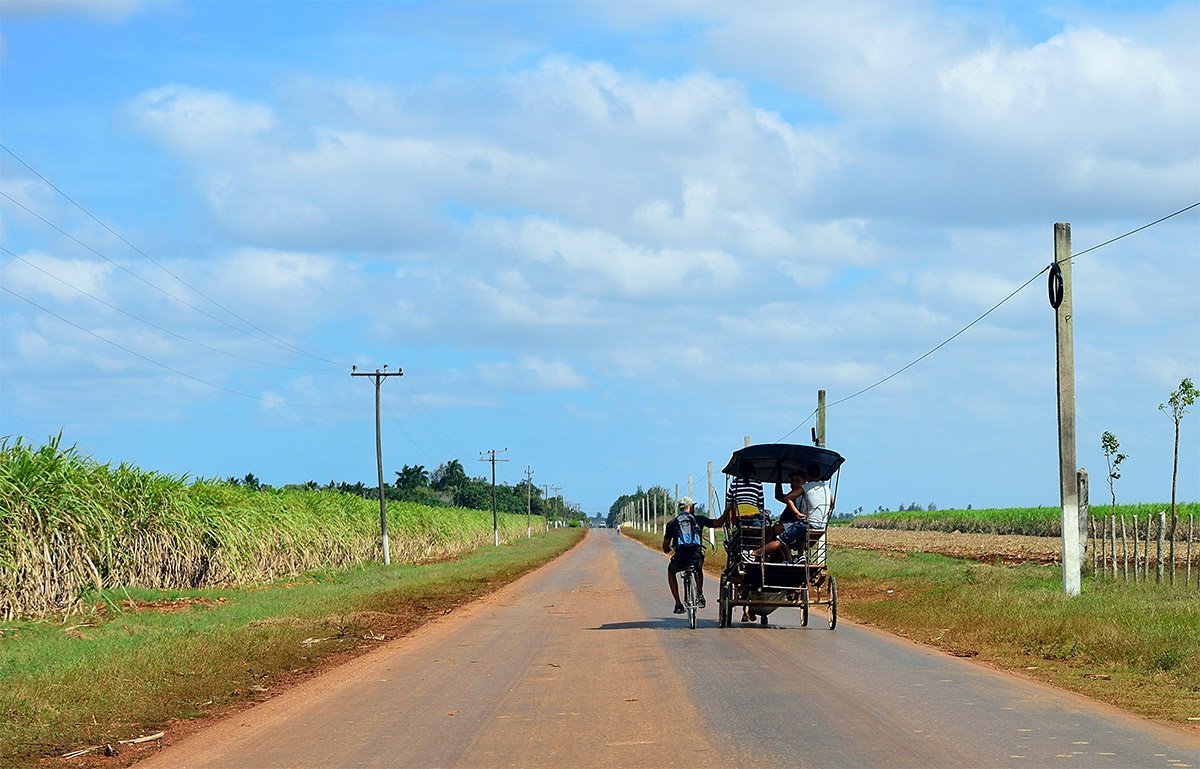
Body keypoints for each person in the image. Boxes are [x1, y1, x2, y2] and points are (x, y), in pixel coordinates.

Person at [750, 464, 833, 563]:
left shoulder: (804, 489)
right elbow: (832, 504)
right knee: (785, 530)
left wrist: (797, 513)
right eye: (792, 481)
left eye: (797, 481)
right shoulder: (825, 489)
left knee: (778, 535)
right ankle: (795, 557)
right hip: (814, 526)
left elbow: (786, 498)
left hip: (804, 526)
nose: (794, 484)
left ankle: (754, 554)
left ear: (805, 478)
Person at [663, 496, 727, 614]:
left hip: (680, 558)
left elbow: (665, 545)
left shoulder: (672, 523)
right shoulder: (699, 520)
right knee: (699, 568)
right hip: (695, 557)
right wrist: (727, 511)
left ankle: (678, 603)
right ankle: (700, 594)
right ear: (690, 507)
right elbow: (718, 523)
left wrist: (667, 550)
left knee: (671, 571)